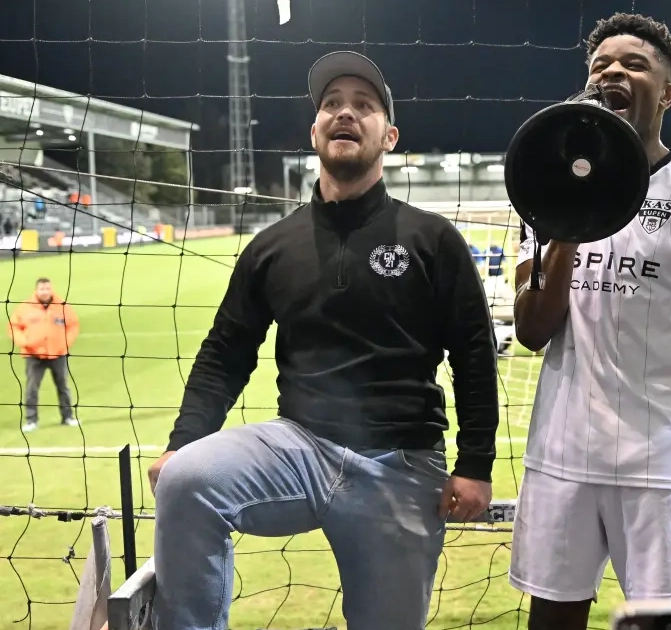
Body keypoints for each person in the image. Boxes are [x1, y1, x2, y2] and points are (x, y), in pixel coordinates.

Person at [147, 51, 499, 630]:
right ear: (314, 132)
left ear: (389, 137)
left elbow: (474, 355)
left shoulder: (433, 239)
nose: (345, 113)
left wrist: (476, 463)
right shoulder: (271, 246)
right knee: (186, 480)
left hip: (401, 462)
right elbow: (225, 354)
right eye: (332, 103)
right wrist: (182, 441)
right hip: (299, 448)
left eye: (364, 105)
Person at [508, 12, 671, 630]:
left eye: (634, 65)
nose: (612, 72)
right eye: (600, 65)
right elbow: (532, 330)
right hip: (559, 457)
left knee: (666, 624)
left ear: (668, 93)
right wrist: (571, 217)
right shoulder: (545, 192)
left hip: (659, 467)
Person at [9, 277, 79, 432]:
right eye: (42, 289)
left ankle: (67, 417)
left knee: (63, 386)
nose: (45, 292)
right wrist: (25, 342)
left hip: (58, 354)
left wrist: (65, 343)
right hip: (34, 355)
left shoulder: (62, 307)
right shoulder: (24, 308)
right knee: (32, 388)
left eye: (48, 288)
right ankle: (31, 421)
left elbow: (73, 325)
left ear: (51, 289)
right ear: (36, 290)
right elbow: (14, 327)